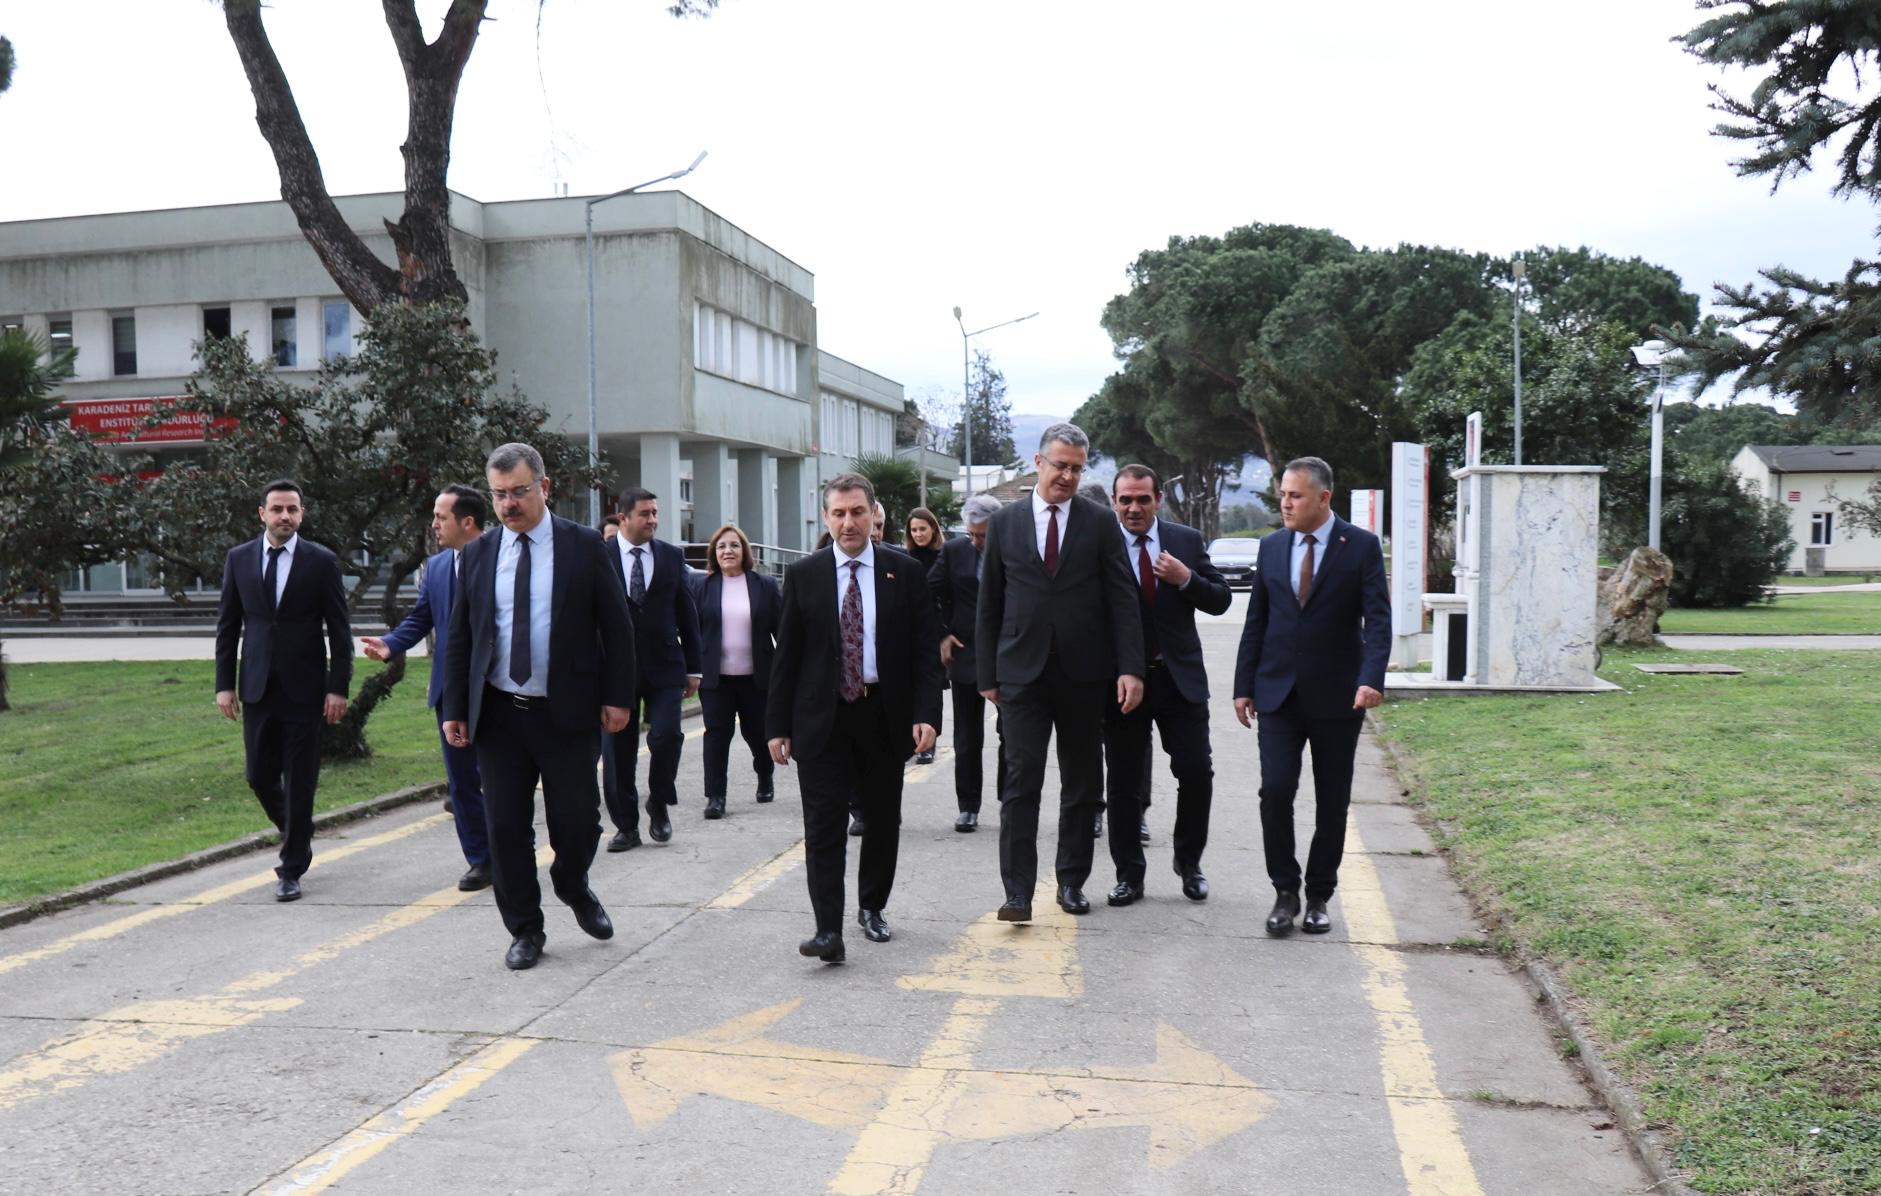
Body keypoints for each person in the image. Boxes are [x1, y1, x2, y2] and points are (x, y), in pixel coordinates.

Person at [442, 443, 635, 970]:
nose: (509, 504)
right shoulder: (478, 553)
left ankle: (572, 882)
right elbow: (462, 635)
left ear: (544, 488)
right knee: (506, 827)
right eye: (499, 494)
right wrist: (456, 705)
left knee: (578, 822)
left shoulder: (583, 546)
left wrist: (619, 697)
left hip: (566, 711)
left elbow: (616, 626)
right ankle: (525, 928)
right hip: (499, 713)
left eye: (519, 492)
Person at [767, 473, 943, 963]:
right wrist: (777, 725)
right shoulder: (803, 575)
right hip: (821, 719)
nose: (849, 522)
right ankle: (828, 929)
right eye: (839, 513)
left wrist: (927, 714)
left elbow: (924, 651)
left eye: (858, 512)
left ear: (873, 515)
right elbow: (787, 657)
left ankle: (872, 907)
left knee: (882, 819)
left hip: (882, 714)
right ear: (826, 517)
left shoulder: (904, 572)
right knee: (823, 826)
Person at [976, 423, 1144, 921]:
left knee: (1082, 784)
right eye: (1060, 465)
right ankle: (1017, 892)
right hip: (1021, 674)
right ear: (1038, 462)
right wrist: (987, 675)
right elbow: (990, 603)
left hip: (1083, 673)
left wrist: (1130, 668)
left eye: (1076, 468)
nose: (1067, 476)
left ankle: (1071, 882)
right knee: (1020, 782)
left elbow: (1122, 598)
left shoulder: (1100, 523)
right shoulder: (1004, 523)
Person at [1232, 455, 1390, 937]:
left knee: (1332, 800)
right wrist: (1243, 686)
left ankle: (1319, 894)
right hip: (1277, 694)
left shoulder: (1360, 546)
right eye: (1283, 494)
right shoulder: (1272, 547)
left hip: (1338, 697)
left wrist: (1371, 678)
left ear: (1323, 498)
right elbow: (1257, 620)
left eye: (1295, 496)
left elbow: (1378, 620)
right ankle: (1285, 891)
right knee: (1276, 791)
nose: (1285, 503)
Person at [213, 479, 352, 902]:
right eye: (277, 509)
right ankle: (298, 834)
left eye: (292, 509)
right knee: (258, 775)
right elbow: (228, 627)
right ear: (263, 514)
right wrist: (224, 685)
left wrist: (338, 688)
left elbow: (340, 631)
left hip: (306, 689)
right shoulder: (239, 559)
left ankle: (290, 868)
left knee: (300, 779)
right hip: (257, 687)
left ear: (302, 514)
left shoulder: (321, 561)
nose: (285, 516)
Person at [1101, 465, 1232, 907]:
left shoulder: (1186, 541)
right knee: (1123, 783)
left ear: (1158, 499)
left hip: (1180, 681)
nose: (1134, 508)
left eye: (1143, 499)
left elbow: (1221, 599)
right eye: (1125, 500)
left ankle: (1189, 863)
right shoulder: (1101, 543)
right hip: (1122, 682)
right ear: (1114, 502)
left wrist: (1186, 579)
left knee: (1196, 772)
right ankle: (1129, 875)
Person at [361, 484, 493, 892]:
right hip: (450, 692)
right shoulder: (435, 567)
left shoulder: (501, 559)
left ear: (467, 522)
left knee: (503, 779)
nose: (434, 524)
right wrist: (391, 643)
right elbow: (423, 617)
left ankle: (513, 851)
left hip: (497, 688)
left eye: (441, 517)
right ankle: (482, 860)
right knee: (462, 781)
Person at [603, 487, 702, 849]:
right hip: (615, 670)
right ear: (624, 517)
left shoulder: (672, 557)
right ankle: (626, 826)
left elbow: (687, 613)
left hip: (665, 667)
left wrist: (695, 668)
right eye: (645, 514)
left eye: (655, 513)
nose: (653, 520)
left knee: (666, 736)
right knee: (618, 751)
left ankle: (659, 802)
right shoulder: (600, 555)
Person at [689, 524, 782, 817]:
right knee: (717, 735)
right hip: (716, 679)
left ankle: (765, 775)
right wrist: (690, 669)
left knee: (758, 734)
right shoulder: (701, 587)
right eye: (721, 547)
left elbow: (782, 630)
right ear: (714, 554)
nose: (728, 551)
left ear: (745, 551)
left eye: (734, 545)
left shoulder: (765, 585)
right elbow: (691, 632)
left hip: (757, 679)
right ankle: (715, 797)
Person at [929, 494, 1006, 832]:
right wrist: (942, 634)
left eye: (983, 535)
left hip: (1007, 655)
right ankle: (968, 806)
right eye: (971, 534)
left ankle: (1010, 801)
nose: (975, 541)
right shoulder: (953, 551)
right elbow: (927, 593)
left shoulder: (1015, 550)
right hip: (965, 653)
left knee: (1012, 734)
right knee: (967, 736)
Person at [902, 506, 946, 765]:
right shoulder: (905, 558)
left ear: (933, 529)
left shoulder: (944, 556)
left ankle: (928, 742)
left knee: (931, 685)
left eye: (922, 529)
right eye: (914, 530)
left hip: (936, 629)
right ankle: (913, 737)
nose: (918, 534)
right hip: (910, 628)